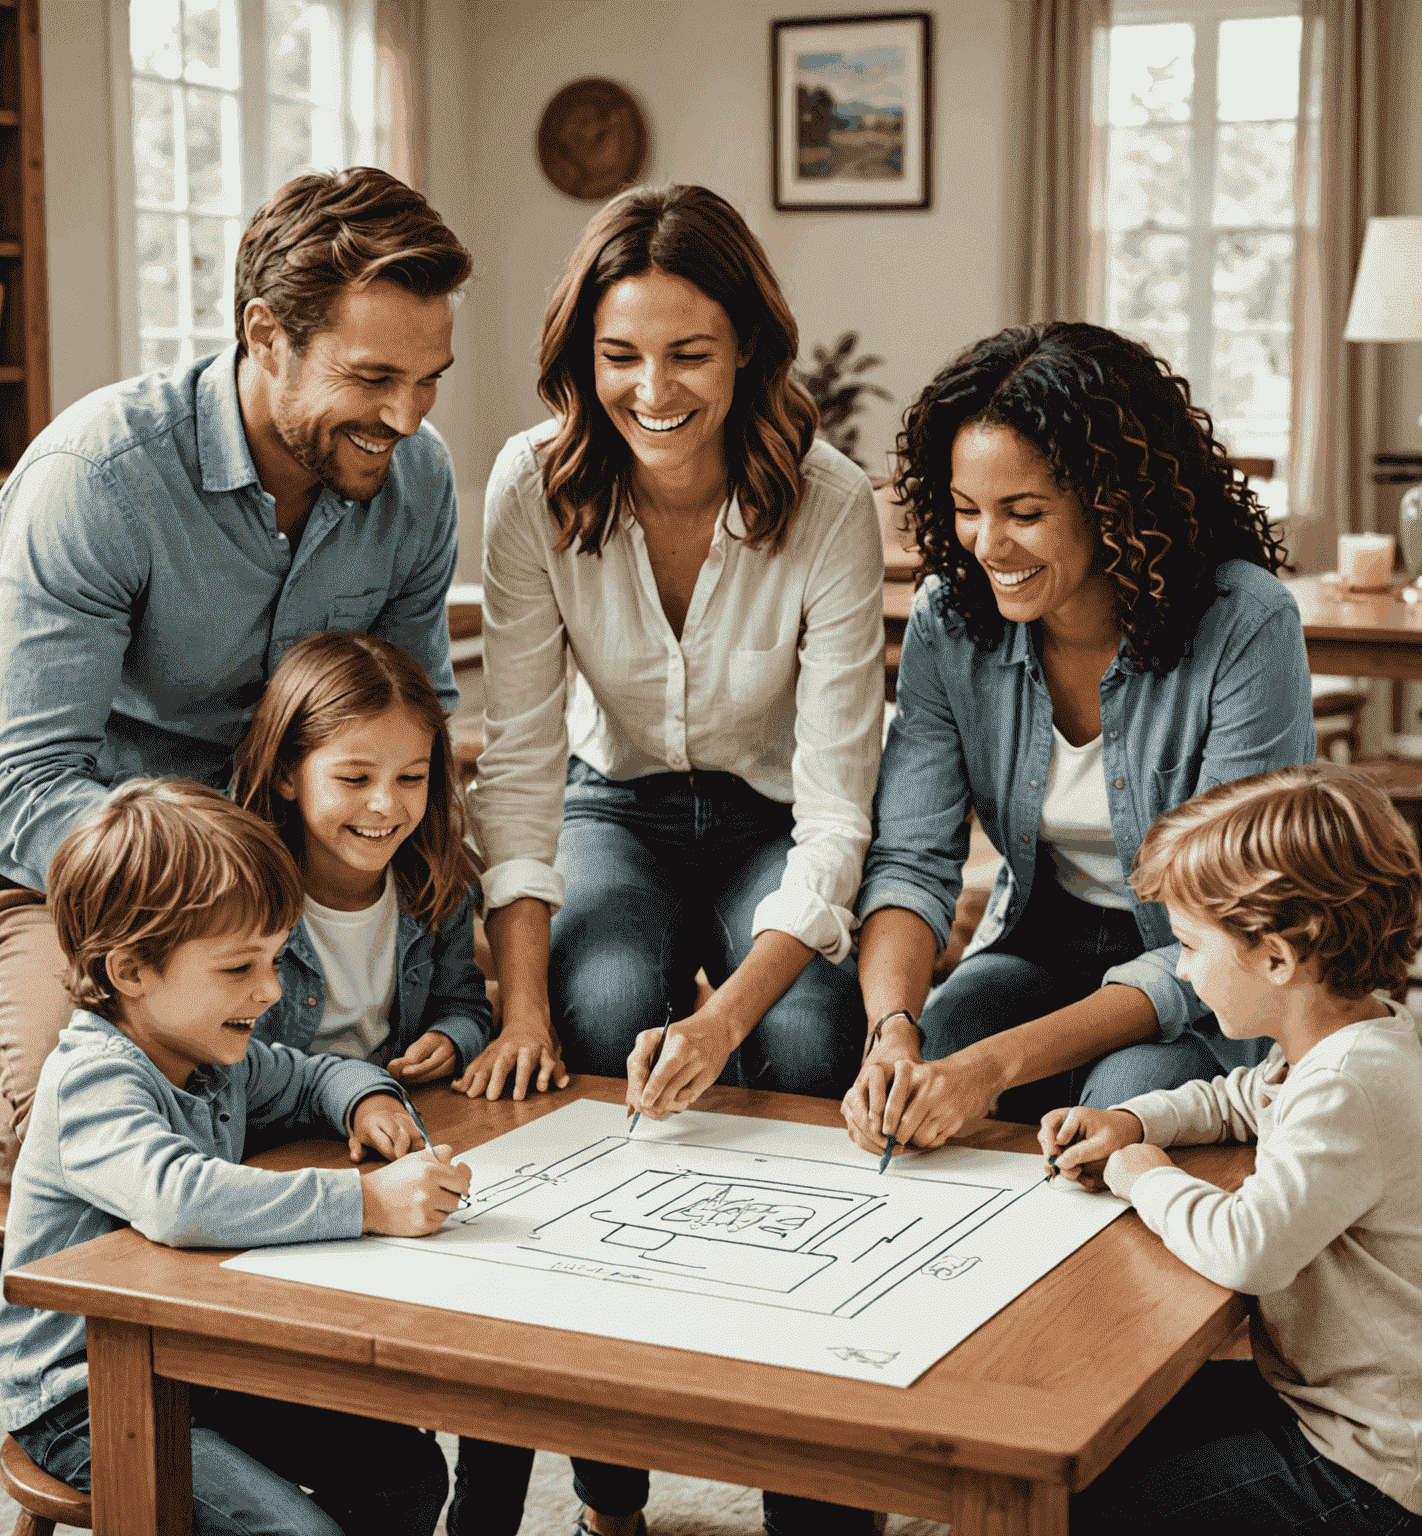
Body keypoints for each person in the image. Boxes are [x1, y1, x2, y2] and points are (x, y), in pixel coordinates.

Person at [454, 183, 884, 1536]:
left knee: (813, 1041)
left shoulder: (831, 503)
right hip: (614, 806)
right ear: (583, 356)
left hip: (772, 827)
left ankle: (824, 1492)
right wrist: (518, 1005)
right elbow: (518, 759)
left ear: (748, 345)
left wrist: (725, 1017)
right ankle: (609, 1482)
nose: (654, 388)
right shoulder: (532, 481)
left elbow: (835, 816)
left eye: (689, 353)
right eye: (620, 355)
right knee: (591, 1008)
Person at [0, 165, 471, 1133]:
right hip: (52, 879)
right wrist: (233, 909)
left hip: (278, 876)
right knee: (112, 1126)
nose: (406, 419)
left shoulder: (418, 483)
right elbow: (25, 794)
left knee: (406, 1087)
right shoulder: (98, 480)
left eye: (427, 381)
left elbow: (416, 727)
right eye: (371, 379)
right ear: (266, 335)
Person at [843, 321, 1316, 1160]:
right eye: (965, 511)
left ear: (1114, 504)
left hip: (1202, 965)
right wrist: (893, 1032)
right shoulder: (950, 626)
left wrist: (991, 1069)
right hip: (1038, 937)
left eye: (1024, 513)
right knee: (934, 1059)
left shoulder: (1244, 624)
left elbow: (1237, 919)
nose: (989, 546)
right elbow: (912, 858)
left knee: (1123, 1103)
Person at [0, 778, 473, 1536]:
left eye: (276, 960)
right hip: (83, 1397)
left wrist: (367, 1101)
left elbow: (314, 1074)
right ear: (131, 972)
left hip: (196, 1360)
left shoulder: (211, 1054)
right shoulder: (94, 1078)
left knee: (404, 1472)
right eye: (239, 968)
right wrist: (370, 1203)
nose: (272, 989)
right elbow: (180, 1199)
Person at [1042, 766, 1422, 1533]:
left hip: (1384, 1466)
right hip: (1352, 1408)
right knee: (1098, 1432)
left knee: (1093, 1507)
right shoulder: (1343, 1042)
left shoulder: (1347, 1086)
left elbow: (1250, 1248)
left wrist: (1145, 1175)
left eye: (1187, 945)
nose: (1180, 969)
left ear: (1277, 959)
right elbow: (1234, 1098)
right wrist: (1133, 1122)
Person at [235, 630, 493, 1082]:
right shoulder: (237, 899)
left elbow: (462, 1002)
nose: (386, 805)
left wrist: (453, 1039)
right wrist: (344, 1094)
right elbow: (225, 1061)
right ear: (286, 776)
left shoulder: (435, 881)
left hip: (396, 1120)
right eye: (355, 779)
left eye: (411, 778)